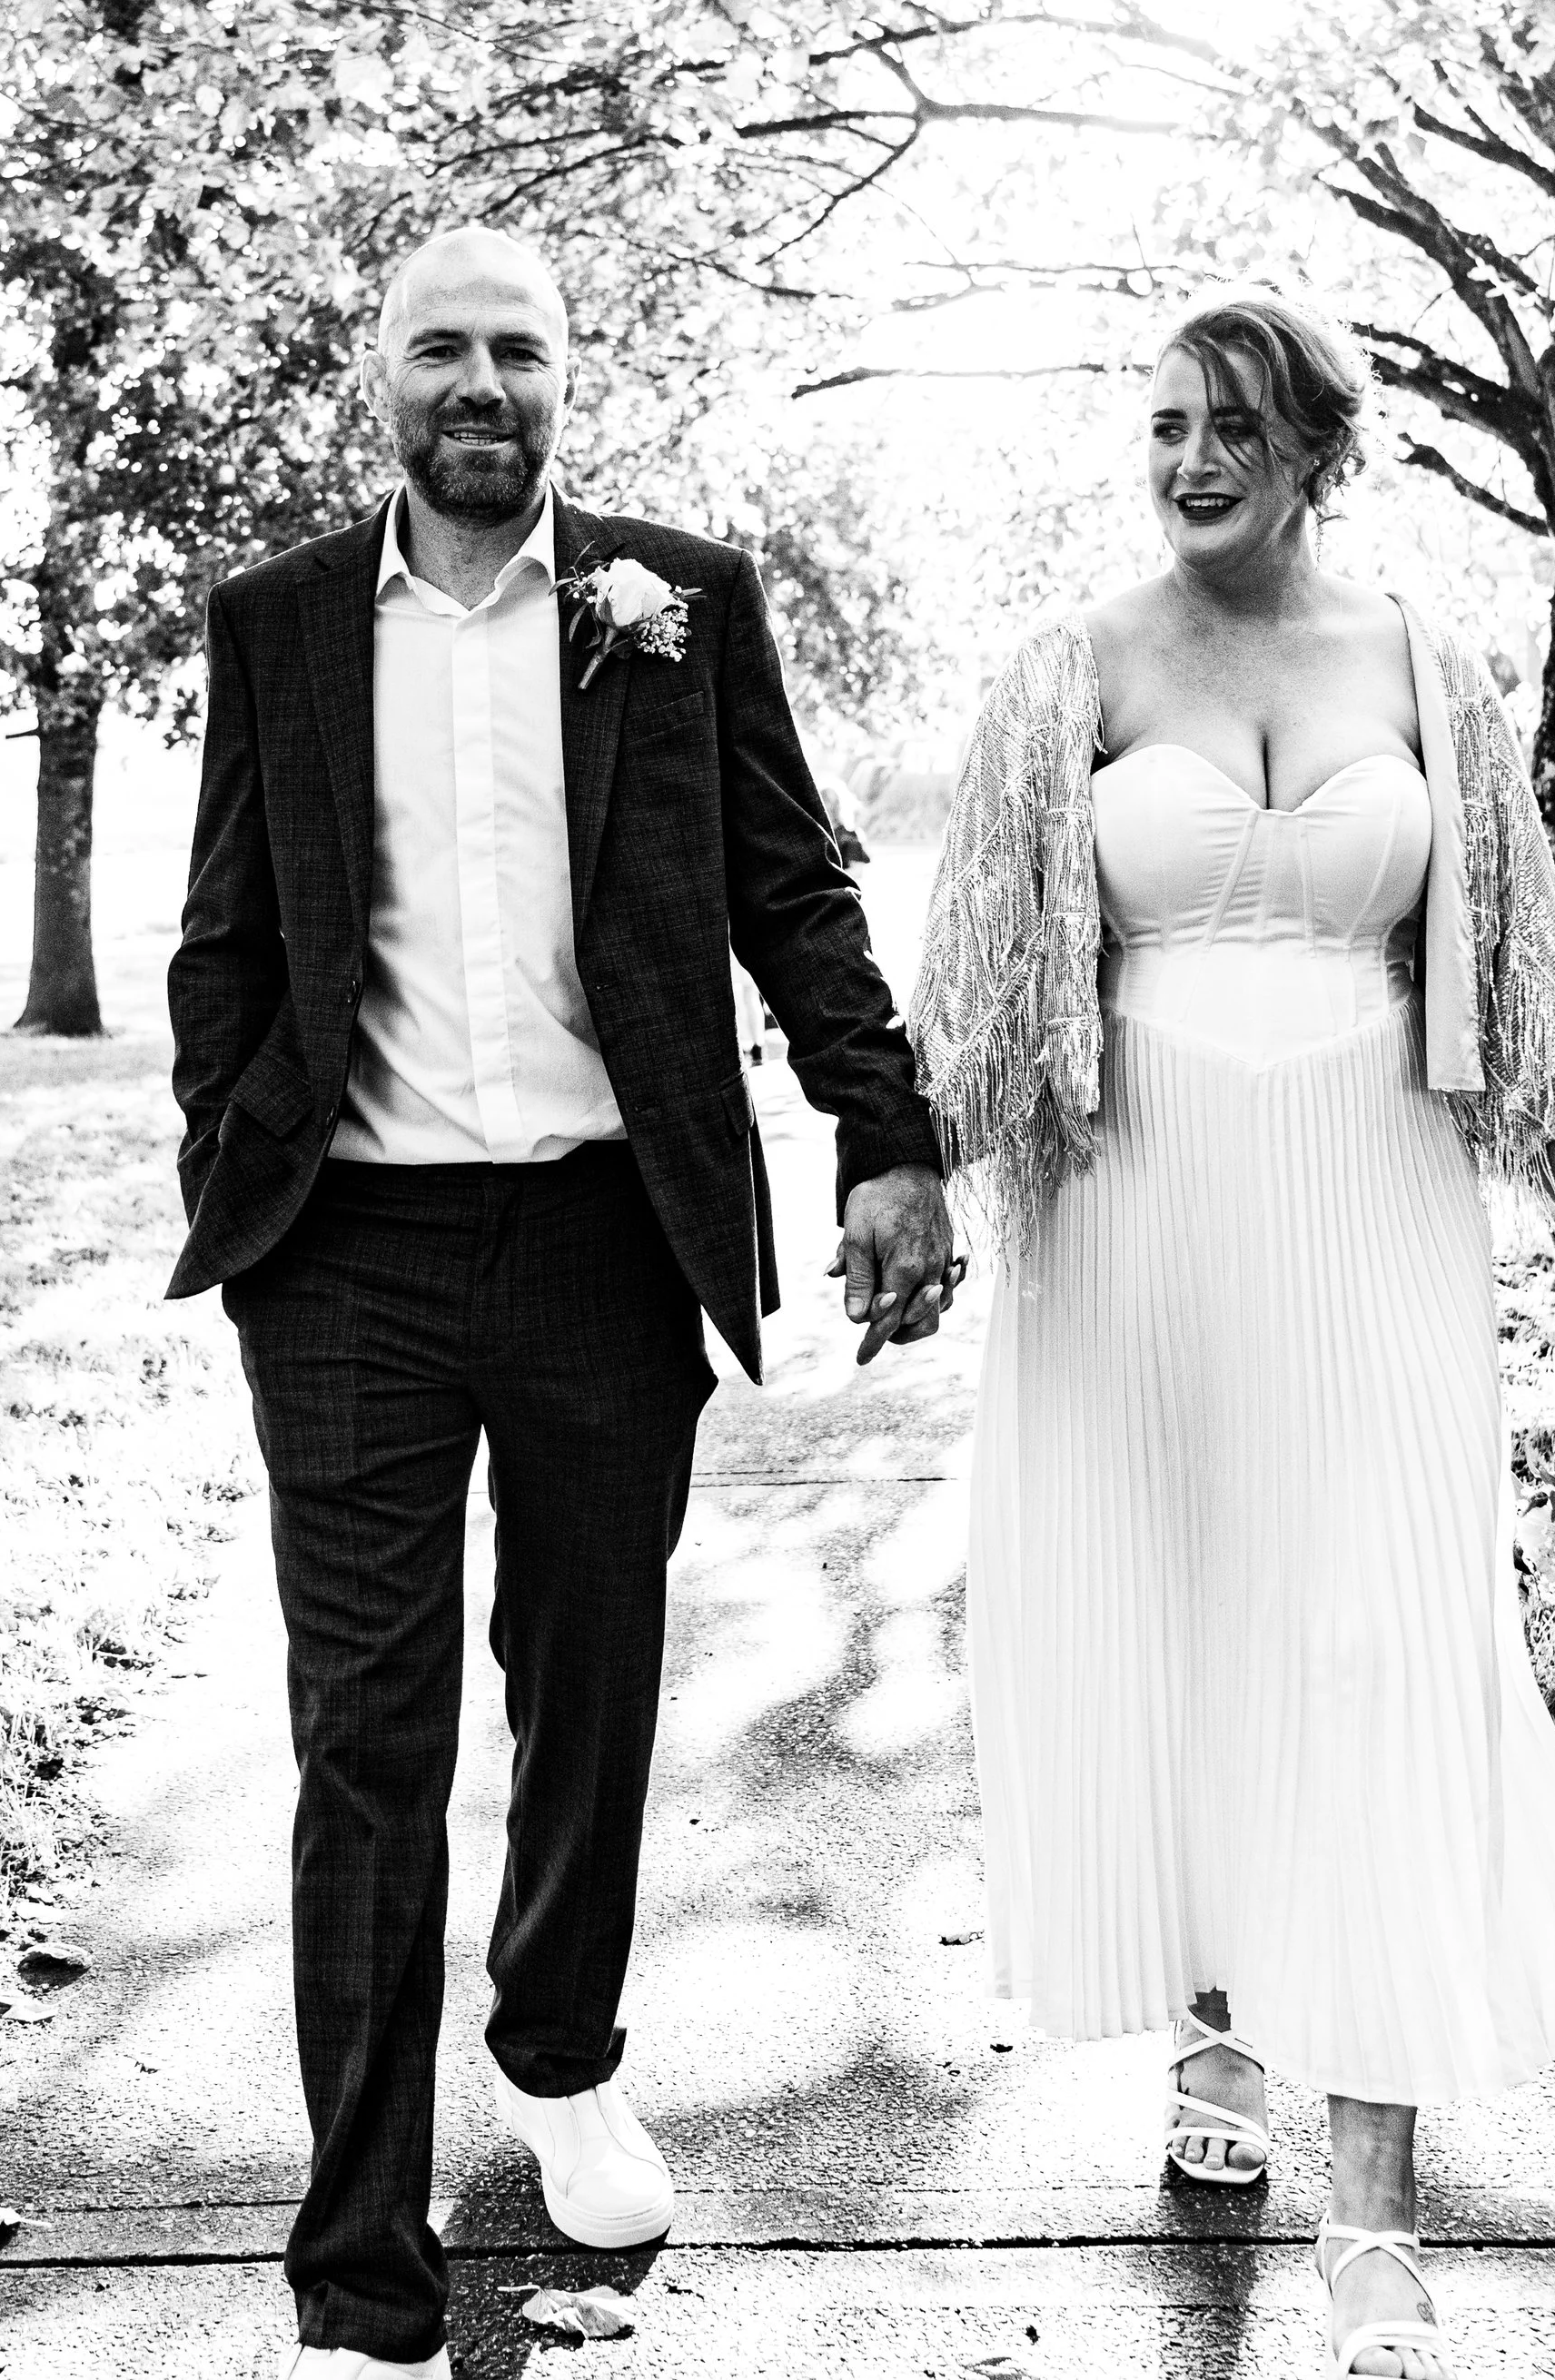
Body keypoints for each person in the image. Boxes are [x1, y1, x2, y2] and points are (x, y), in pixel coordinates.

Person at [165, 225, 955, 2380]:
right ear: (379, 381)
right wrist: (220, 1163)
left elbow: (792, 887)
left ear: (567, 380)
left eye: (521, 348)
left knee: (589, 1685)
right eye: (442, 348)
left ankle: (561, 2051)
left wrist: (884, 1134)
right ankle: (354, 2273)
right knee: (367, 1748)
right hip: (344, 1258)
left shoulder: (673, 607)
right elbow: (225, 935)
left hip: (612, 1238)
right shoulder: (280, 624)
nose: (482, 384)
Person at [910, 288, 1555, 2380]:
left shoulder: (1427, 669)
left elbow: (1514, 951)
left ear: (1318, 446)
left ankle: (1374, 2209)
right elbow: (973, 979)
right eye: (1162, 425)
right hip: (1130, 1223)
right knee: (1187, 1621)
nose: (1190, 458)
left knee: (1369, 1642)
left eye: (1232, 424)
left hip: (1369, 1207)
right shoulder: (1066, 673)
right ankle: (1218, 2027)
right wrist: (908, 1194)